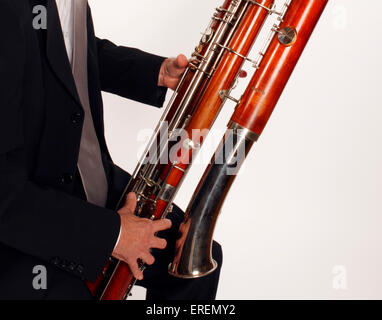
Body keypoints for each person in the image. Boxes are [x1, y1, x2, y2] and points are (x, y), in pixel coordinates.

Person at [0, 0, 222, 300]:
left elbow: (62, 45)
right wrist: (113, 236)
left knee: (193, 261)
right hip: (29, 217)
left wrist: (154, 72)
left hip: (80, 177)